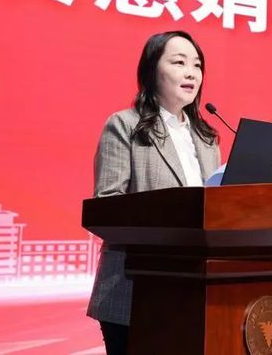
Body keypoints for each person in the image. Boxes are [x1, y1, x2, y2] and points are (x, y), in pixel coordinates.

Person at [87, 30, 220, 355]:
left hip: (195, 289)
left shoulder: (207, 137)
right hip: (134, 288)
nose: (191, 73)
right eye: (179, 62)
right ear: (151, 71)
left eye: (197, 65)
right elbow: (107, 207)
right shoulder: (125, 126)